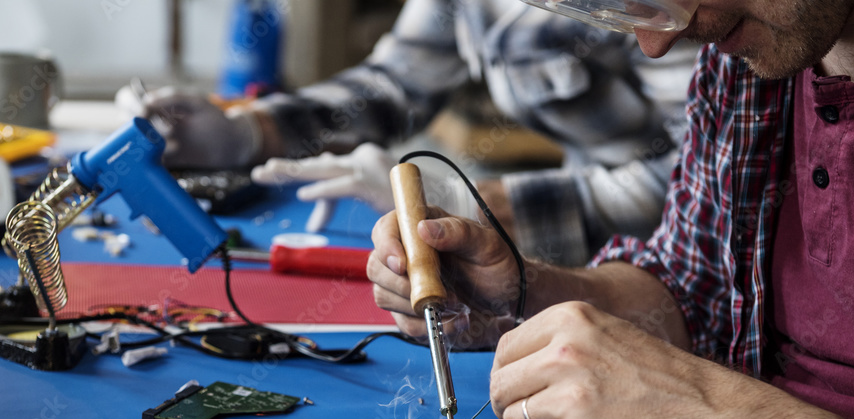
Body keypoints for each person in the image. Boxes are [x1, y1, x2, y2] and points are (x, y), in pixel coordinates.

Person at [367, 0, 854, 419]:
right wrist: (522, 291)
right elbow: (696, 294)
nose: (656, 44)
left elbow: (697, 400)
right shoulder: (759, 60)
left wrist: (702, 416)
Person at [134, 0, 698, 266]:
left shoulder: (674, 7)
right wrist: (248, 133)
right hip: (575, 249)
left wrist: (472, 207)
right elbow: (395, 83)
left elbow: (691, 185)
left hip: (673, 266)